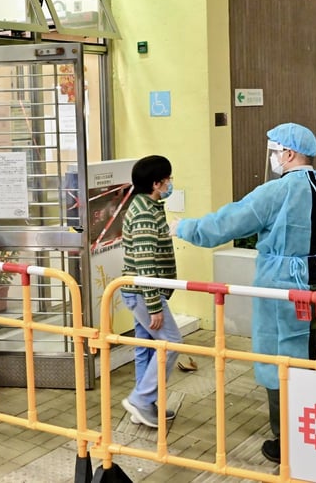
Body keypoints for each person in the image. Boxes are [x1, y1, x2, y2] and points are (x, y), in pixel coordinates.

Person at [173, 123, 316, 463]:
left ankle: (288, 439)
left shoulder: (274, 193)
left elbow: (225, 224)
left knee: (281, 360)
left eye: (274, 151)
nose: (273, 157)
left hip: (284, 286)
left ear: (288, 153)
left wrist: (183, 227)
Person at [119, 155, 181, 430]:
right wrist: (154, 305)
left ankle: (144, 406)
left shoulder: (149, 205)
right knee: (171, 342)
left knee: (147, 347)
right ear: (157, 183)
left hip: (142, 292)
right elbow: (145, 263)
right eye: (168, 179)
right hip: (144, 294)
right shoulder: (144, 212)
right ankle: (141, 399)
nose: (170, 183)